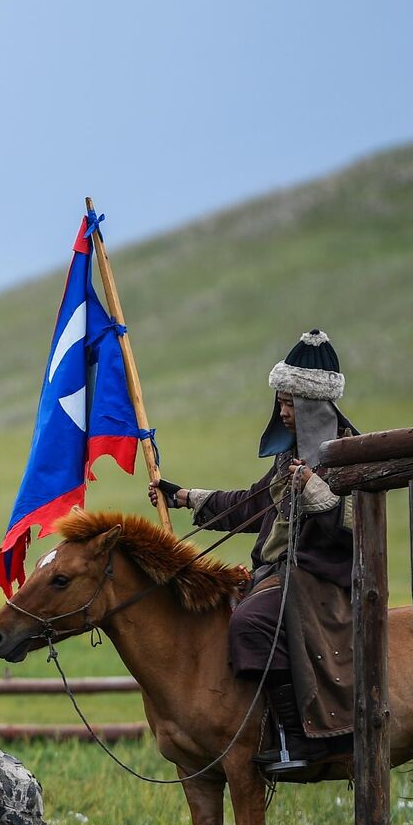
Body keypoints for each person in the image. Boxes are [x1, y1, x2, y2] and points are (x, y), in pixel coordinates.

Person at [149, 330, 358, 780]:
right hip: (276, 574)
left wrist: (315, 489)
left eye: (291, 403)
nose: (282, 412)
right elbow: (251, 503)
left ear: (315, 405)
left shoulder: (348, 455)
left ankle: (295, 738)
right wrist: (185, 496)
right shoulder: (288, 460)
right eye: (280, 402)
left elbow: (356, 527)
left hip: (319, 581)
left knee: (249, 622)